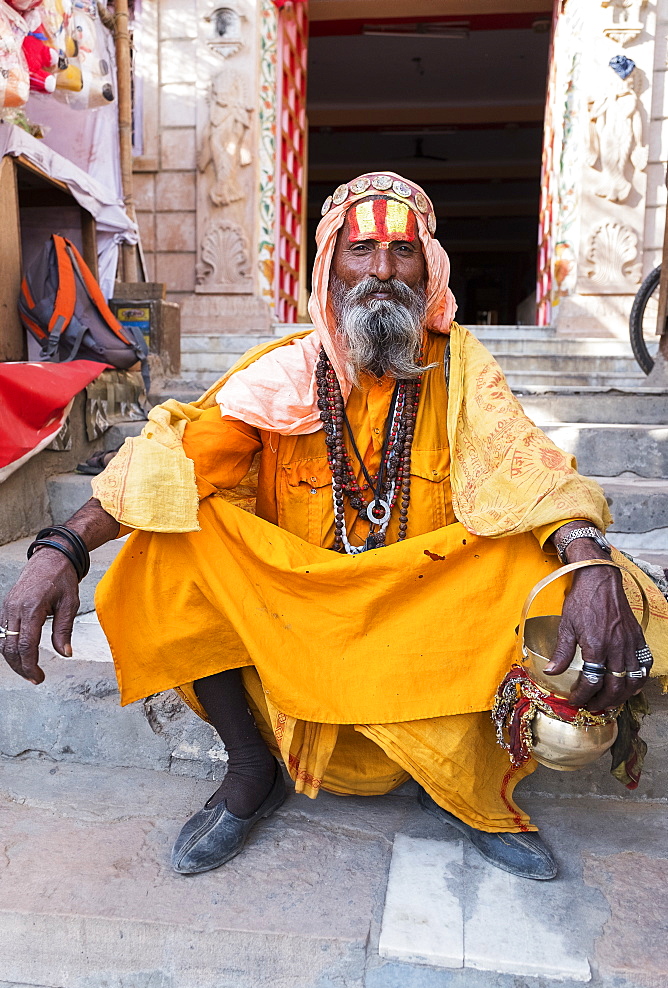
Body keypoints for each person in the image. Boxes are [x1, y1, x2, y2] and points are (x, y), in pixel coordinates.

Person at [2, 171, 667, 883]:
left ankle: (463, 788)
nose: (381, 270)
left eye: (401, 252)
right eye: (361, 250)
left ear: (427, 268)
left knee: (565, 569)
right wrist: (62, 548)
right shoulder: (285, 376)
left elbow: (529, 467)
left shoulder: (462, 370)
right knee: (172, 540)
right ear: (329, 268)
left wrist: (589, 564)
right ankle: (252, 768)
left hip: (426, 621)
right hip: (304, 622)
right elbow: (174, 460)